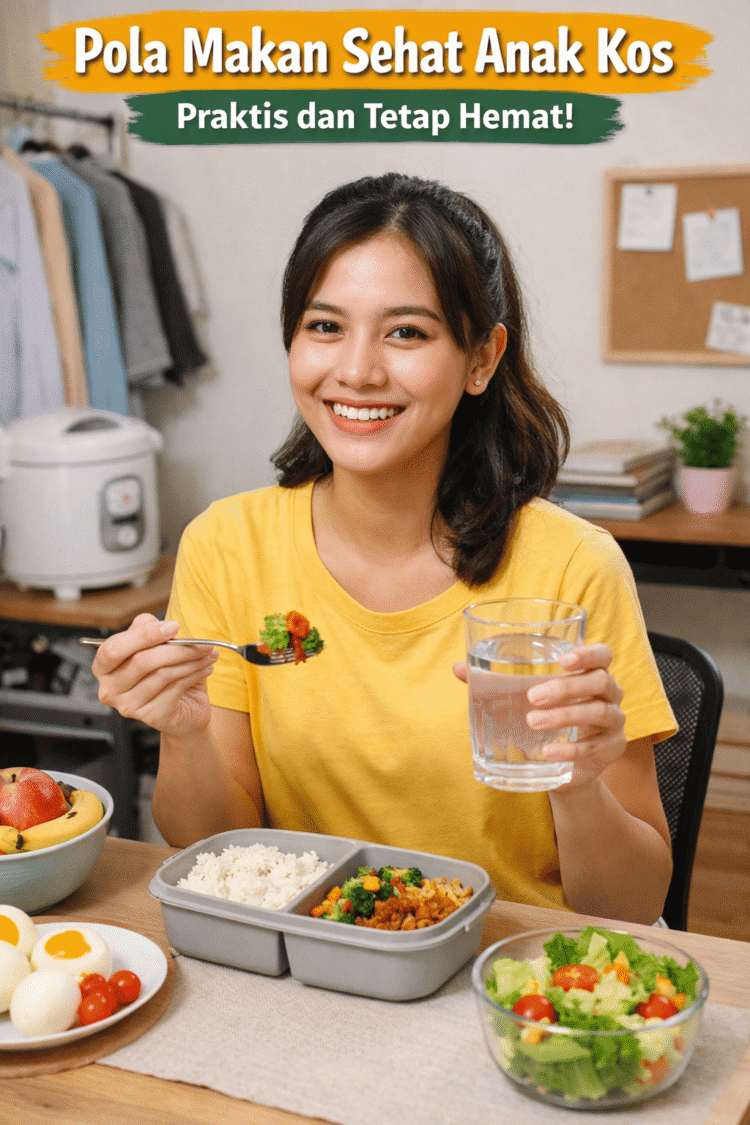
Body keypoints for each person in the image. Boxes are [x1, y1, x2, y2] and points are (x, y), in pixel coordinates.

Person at [93, 172, 675, 925]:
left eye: (406, 331)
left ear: (481, 358)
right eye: (325, 326)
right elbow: (211, 844)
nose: (357, 370)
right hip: (310, 960)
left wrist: (574, 782)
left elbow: (631, 904)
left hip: (505, 975)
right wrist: (185, 729)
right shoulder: (226, 545)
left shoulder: (572, 566)